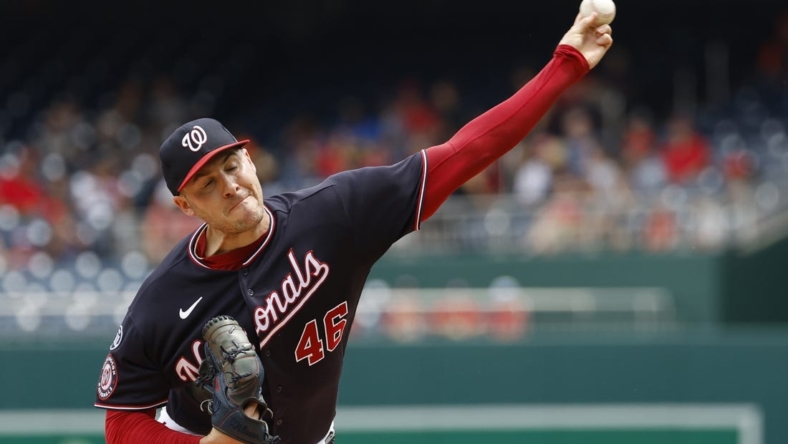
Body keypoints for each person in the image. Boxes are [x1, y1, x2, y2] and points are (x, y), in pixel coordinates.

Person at [94, 11, 613, 444]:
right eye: (206, 184)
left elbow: (465, 153)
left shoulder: (334, 214)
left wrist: (566, 65)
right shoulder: (161, 302)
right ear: (185, 206)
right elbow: (121, 421)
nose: (229, 186)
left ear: (251, 161)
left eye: (231, 166)